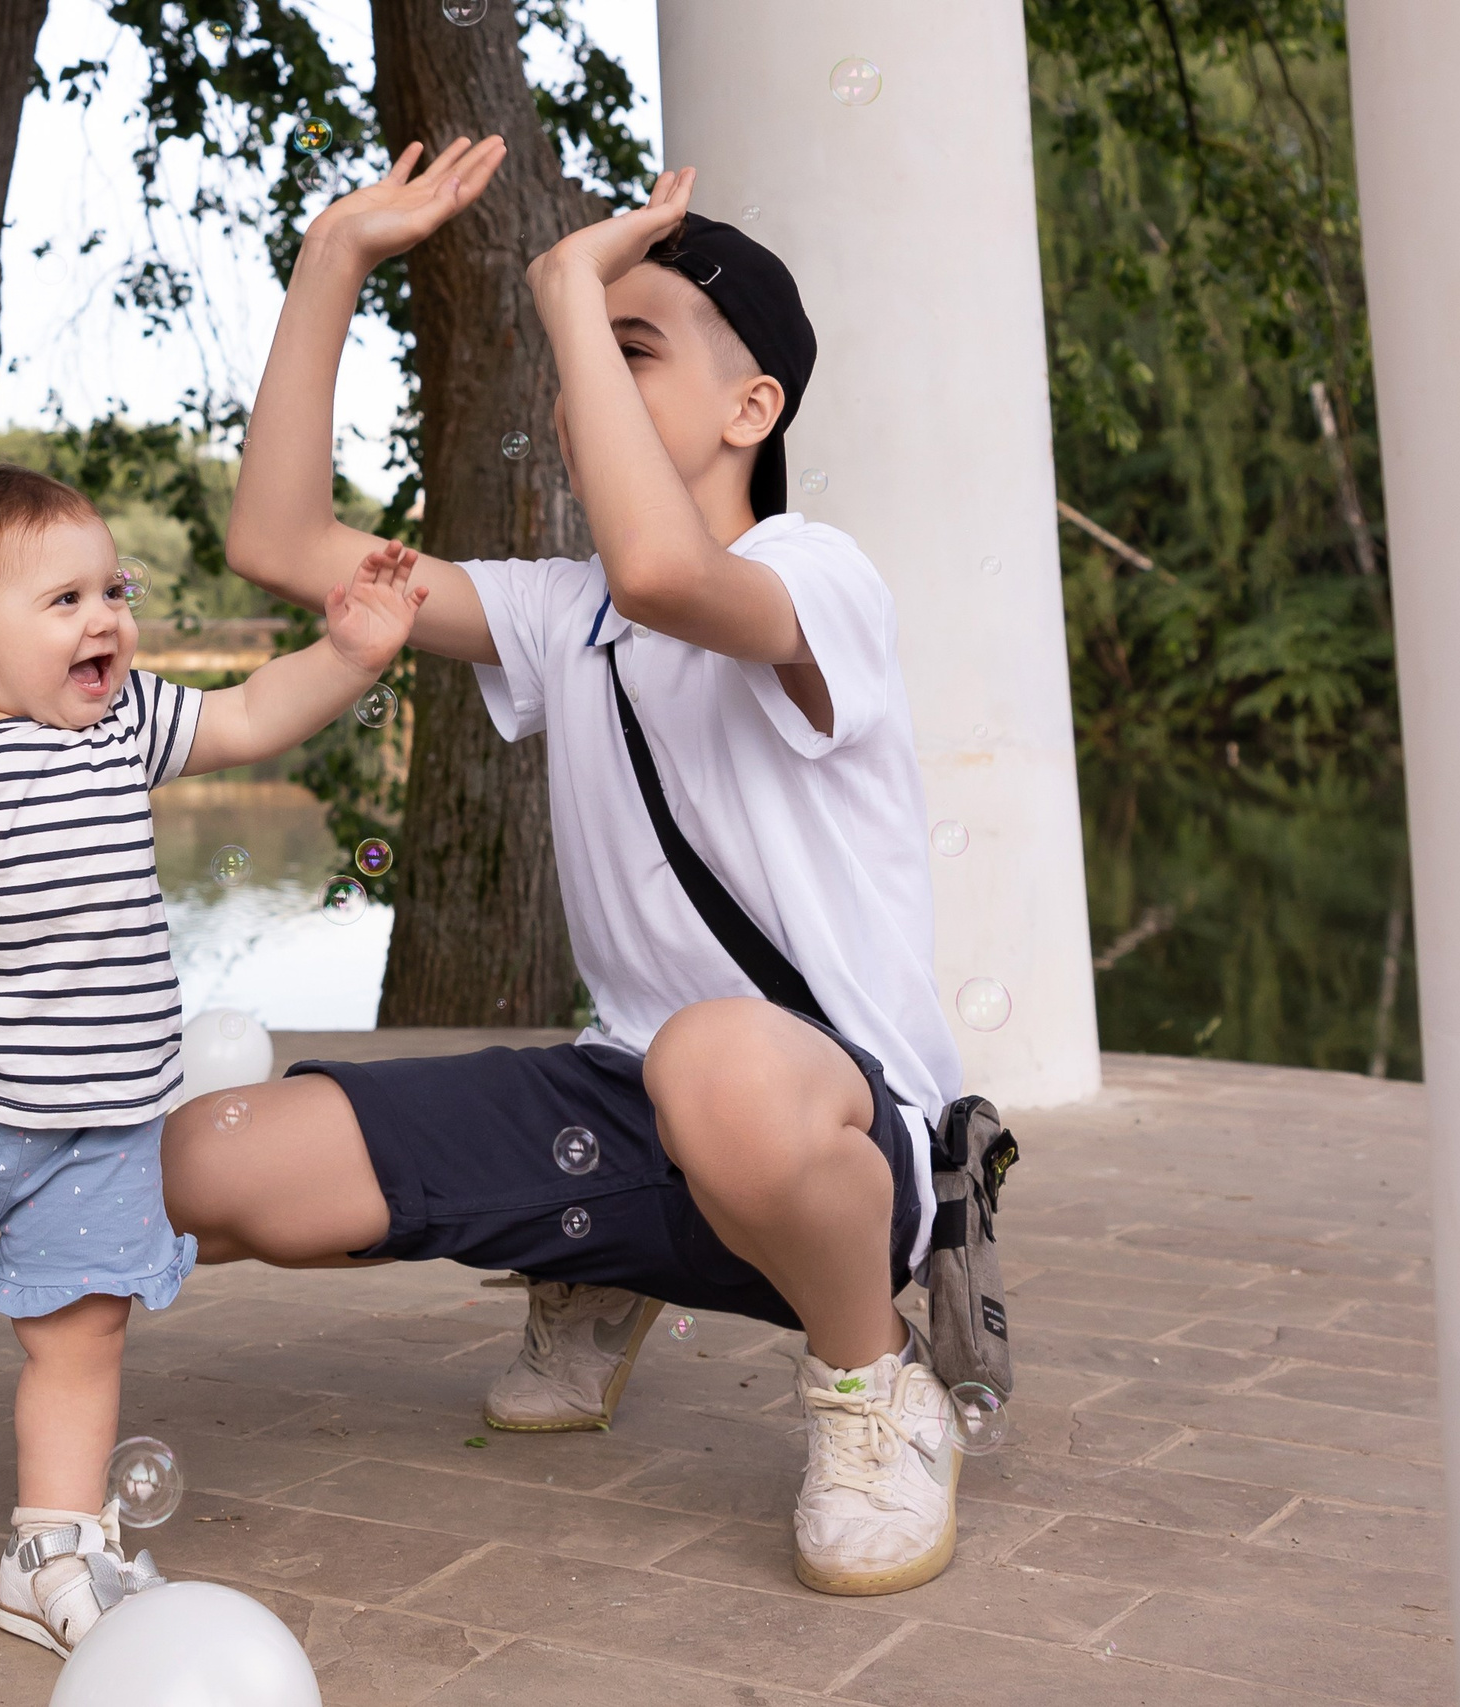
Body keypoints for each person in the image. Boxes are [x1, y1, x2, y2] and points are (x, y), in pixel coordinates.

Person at [165, 139, 973, 1597]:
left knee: (721, 1057)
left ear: (753, 406)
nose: (585, 364)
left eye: (631, 343)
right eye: (585, 347)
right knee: (204, 1168)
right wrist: (334, 258)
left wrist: (558, 281)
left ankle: (872, 1385)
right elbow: (280, 543)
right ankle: (605, 1265)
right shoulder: (562, 618)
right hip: (631, 1094)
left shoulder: (819, 574)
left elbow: (670, 571)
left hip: (835, 1127)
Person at [0, 463, 427, 1654]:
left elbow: (252, 713)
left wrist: (352, 655)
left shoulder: (129, 720)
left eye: (114, 589)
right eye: (65, 600)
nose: (106, 617)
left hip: (102, 1128)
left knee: (81, 1332)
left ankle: (52, 1546)